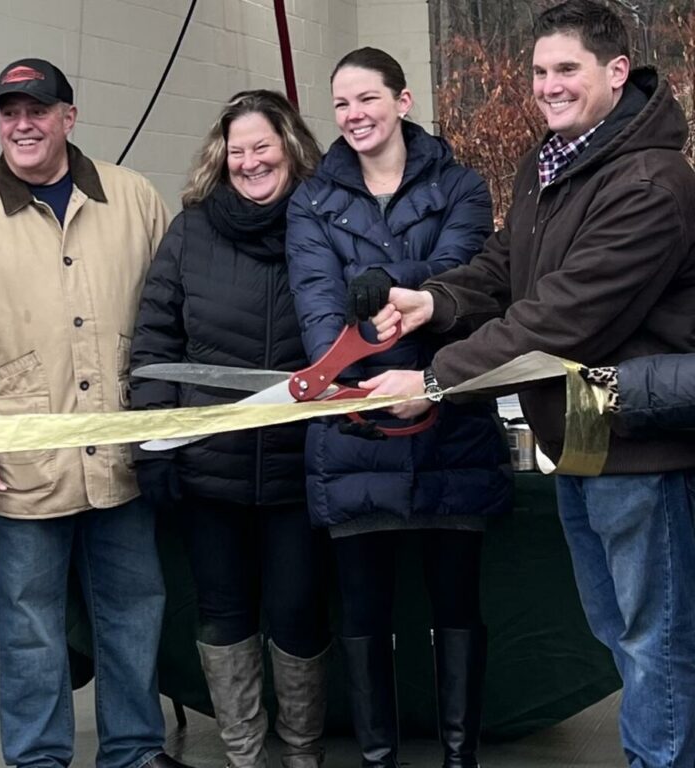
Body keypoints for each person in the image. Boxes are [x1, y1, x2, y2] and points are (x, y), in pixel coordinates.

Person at [364, 2, 695, 765]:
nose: (549, 85)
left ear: (617, 72)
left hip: (643, 456)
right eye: (540, 71)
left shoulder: (651, 182)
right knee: (624, 637)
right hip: (584, 443)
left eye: (567, 69)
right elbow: (506, 266)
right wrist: (435, 300)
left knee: (659, 646)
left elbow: (560, 319)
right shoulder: (553, 161)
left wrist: (437, 379)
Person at [0, 59, 190, 768]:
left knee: (135, 615)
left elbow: (175, 316)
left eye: (36, 110)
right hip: (22, 469)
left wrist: (176, 431)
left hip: (123, 458)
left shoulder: (134, 200)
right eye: (9, 112)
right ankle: (38, 758)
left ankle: (134, 751)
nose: (22, 124)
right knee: (30, 628)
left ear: (68, 118)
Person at [285, 48, 512, 768]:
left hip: (452, 419)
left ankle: (458, 758)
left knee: (456, 607)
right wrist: (351, 374)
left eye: (368, 99)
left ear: (403, 101)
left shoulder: (463, 186)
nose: (354, 116)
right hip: (351, 432)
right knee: (363, 610)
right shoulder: (311, 201)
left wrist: (382, 303)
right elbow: (317, 300)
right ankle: (377, 759)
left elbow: (460, 286)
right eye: (342, 104)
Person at [130, 90, 330, 768]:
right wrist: (153, 444)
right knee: (223, 613)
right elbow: (155, 341)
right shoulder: (190, 233)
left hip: (298, 467)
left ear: (290, 149)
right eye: (237, 150)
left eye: (262, 148)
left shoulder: (325, 222)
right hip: (206, 468)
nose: (249, 163)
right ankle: (246, 754)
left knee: (299, 614)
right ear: (222, 157)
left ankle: (302, 752)